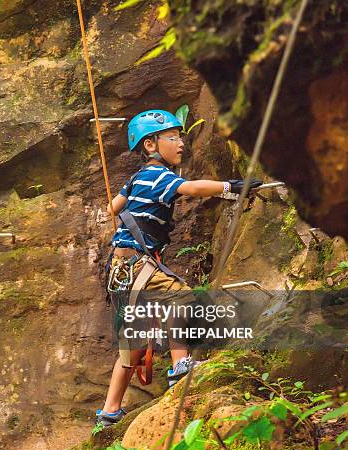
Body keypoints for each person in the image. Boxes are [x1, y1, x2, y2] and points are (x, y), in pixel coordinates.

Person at [96, 109, 261, 428]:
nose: (181, 143)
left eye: (180, 136)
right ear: (150, 146)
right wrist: (231, 186)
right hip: (137, 264)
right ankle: (181, 364)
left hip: (121, 269)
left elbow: (111, 208)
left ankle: (109, 412)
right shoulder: (158, 175)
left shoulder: (135, 179)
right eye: (172, 137)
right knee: (182, 299)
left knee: (132, 343)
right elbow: (193, 189)